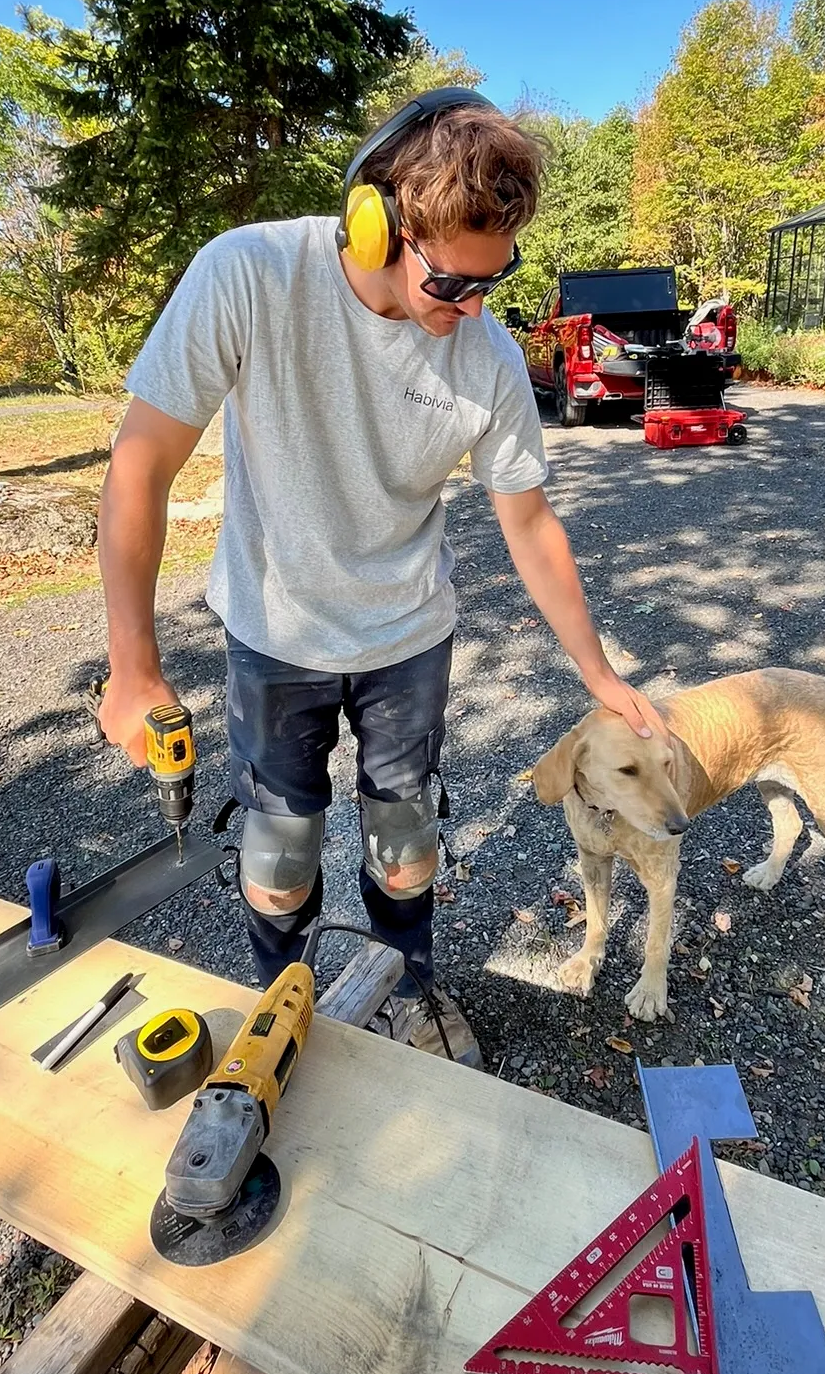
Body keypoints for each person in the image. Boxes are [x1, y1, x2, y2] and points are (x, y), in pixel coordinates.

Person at [96, 87, 660, 1058]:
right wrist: (133, 667)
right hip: (275, 633)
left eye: (492, 280)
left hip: (408, 637)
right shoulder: (250, 275)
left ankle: (410, 991)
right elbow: (140, 466)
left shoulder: (486, 355)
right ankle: (285, 1009)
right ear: (376, 225)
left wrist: (598, 670)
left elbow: (529, 522)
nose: (471, 309)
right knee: (279, 858)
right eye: (451, 283)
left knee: (405, 848)